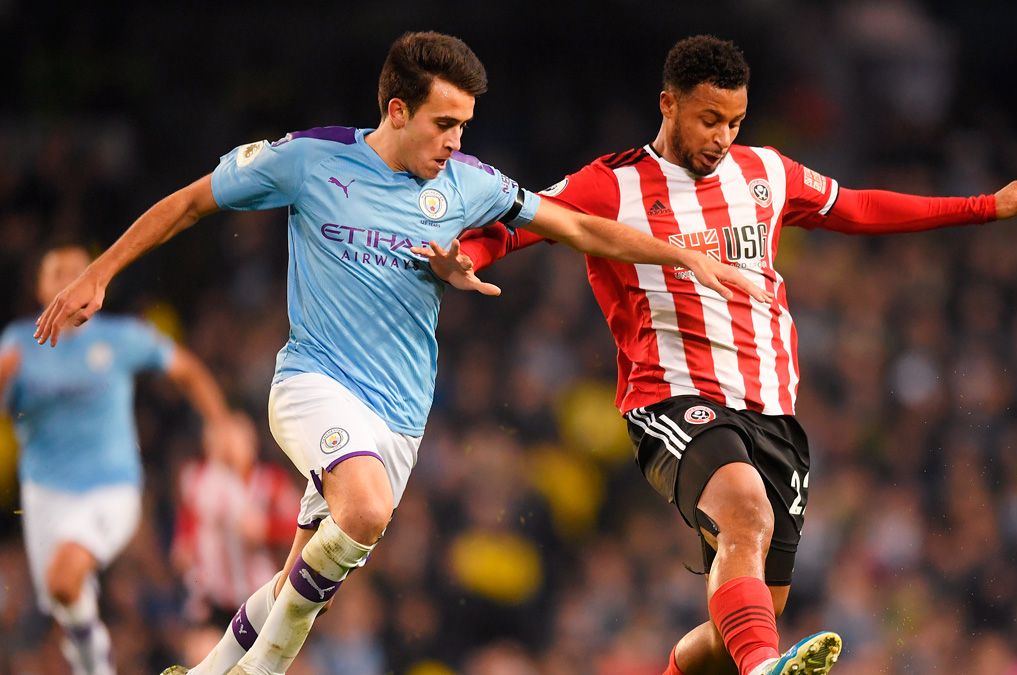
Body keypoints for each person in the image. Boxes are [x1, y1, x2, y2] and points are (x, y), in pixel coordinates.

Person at [32, 31, 767, 675]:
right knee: (364, 508)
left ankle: (213, 668)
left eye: (464, 126)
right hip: (313, 381)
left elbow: (583, 228)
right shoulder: (308, 161)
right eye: (444, 124)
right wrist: (101, 272)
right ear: (397, 111)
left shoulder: (469, 183)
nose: (455, 142)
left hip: (400, 419)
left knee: (304, 569)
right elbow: (191, 201)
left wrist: (682, 257)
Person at [435, 35, 1017, 675]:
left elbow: (858, 208)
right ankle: (766, 670)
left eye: (734, 122)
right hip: (674, 401)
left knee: (739, 620)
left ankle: (745, 660)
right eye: (709, 120)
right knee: (745, 515)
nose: (722, 137)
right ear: (670, 105)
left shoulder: (764, 172)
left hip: (772, 417)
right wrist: (467, 257)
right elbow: (516, 222)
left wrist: (985, 206)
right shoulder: (612, 185)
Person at [0, 245, 233, 675]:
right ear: (40, 287)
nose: (68, 280)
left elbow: (185, 369)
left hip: (111, 487)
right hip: (43, 493)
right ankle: (91, 653)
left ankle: (93, 662)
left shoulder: (120, 337)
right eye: (57, 273)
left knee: (65, 578)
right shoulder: (17, 346)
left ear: (94, 282)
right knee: (63, 597)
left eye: (78, 271)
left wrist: (221, 422)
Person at [172, 411, 299, 639]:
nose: (228, 449)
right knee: (203, 656)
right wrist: (184, 543)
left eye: (235, 440)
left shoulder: (270, 482)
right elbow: (189, 519)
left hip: (256, 593)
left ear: (251, 443)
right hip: (211, 595)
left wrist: (267, 529)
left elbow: (301, 523)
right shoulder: (198, 479)